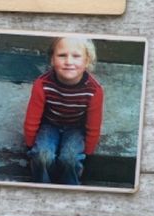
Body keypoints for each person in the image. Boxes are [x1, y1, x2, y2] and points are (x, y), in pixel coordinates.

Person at [23, 36, 104, 186]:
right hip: (49, 124)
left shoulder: (94, 90)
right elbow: (31, 120)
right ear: (52, 60)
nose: (69, 62)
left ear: (87, 61)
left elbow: (93, 126)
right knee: (42, 156)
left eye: (76, 56)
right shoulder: (42, 84)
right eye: (62, 55)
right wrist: (30, 145)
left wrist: (89, 152)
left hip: (75, 127)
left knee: (70, 158)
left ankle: (70, 186)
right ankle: (42, 185)